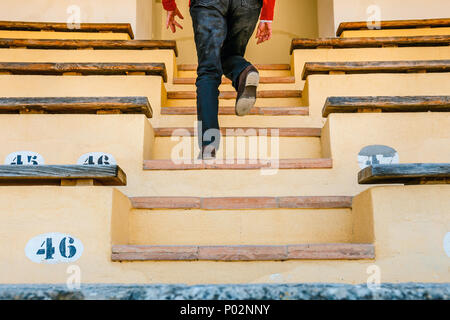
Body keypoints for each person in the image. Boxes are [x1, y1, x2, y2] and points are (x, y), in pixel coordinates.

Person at [163, 0, 276, 160]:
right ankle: (243, 71)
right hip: (247, 4)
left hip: (208, 3)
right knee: (229, 56)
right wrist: (267, 15)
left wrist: (169, 5)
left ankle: (209, 145)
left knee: (209, 69)